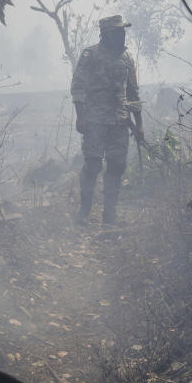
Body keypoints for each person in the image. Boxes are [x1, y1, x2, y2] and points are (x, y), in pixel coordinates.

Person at [70, 15, 143, 225]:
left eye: (123, 31)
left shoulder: (127, 58)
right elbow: (78, 87)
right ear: (106, 34)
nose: (122, 35)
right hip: (94, 121)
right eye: (117, 32)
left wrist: (139, 124)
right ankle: (83, 214)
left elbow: (133, 93)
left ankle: (108, 218)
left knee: (117, 166)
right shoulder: (90, 54)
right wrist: (81, 116)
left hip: (120, 122)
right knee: (93, 165)